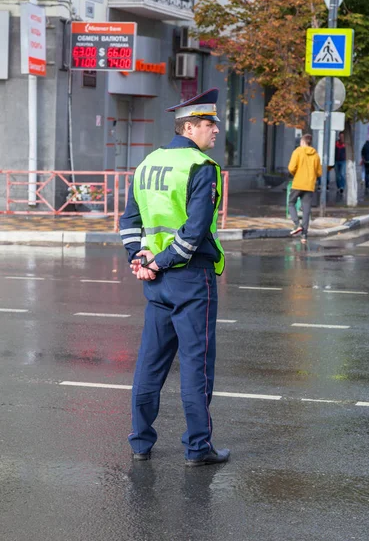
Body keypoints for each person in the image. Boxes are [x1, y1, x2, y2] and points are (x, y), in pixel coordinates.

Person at [119, 88, 230, 467]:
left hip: (156, 281)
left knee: (150, 363)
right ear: (189, 128)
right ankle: (198, 448)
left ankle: (139, 442)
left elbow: (129, 222)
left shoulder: (147, 163)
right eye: (208, 124)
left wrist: (140, 259)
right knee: (196, 365)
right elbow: (195, 232)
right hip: (190, 277)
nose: (215, 130)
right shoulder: (202, 168)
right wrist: (159, 262)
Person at [288, 133, 322, 244]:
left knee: (291, 203)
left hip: (298, 183)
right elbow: (319, 172)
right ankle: (304, 236)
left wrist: (296, 174)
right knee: (306, 210)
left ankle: (297, 224)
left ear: (302, 142)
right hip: (309, 185)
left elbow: (291, 167)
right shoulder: (316, 155)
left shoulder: (297, 151)